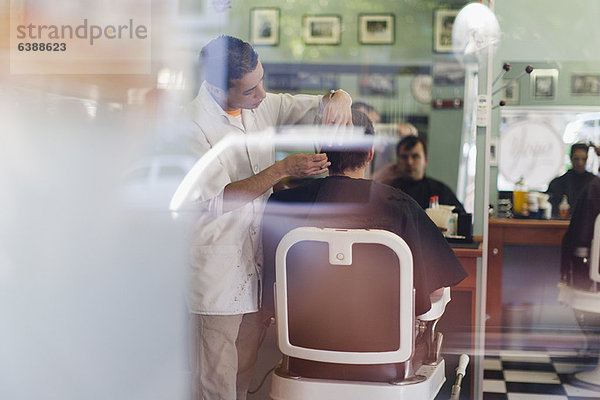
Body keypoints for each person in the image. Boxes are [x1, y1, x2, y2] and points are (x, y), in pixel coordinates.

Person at [185, 35, 352, 400]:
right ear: (215, 86)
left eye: (262, 80)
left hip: (255, 268)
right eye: (250, 90)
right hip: (217, 276)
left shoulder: (260, 104)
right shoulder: (192, 127)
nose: (261, 94)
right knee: (216, 383)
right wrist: (282, 169)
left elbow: (321, 107)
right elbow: (217, 201)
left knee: (244, 374)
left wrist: (340, 98)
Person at [261, 111, 467, 319]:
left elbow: (270, 287)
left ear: (321, 150)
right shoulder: (401, 207)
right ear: (370, 153)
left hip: (304, 341)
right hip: (384, 344)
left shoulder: (282, 204)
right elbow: (436, 290)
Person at [373, 135, 465, 213]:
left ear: (425, 161)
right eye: (404, 157)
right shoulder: (387, 189)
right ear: (397, 161)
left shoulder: (440, 191)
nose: (409, 162)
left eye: (415, 156)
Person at [547, 143, 596, 217]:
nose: (580, 163)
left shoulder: (594, 183)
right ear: (571, 158)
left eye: (583, 159)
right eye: (577, 159)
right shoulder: (557, 183)